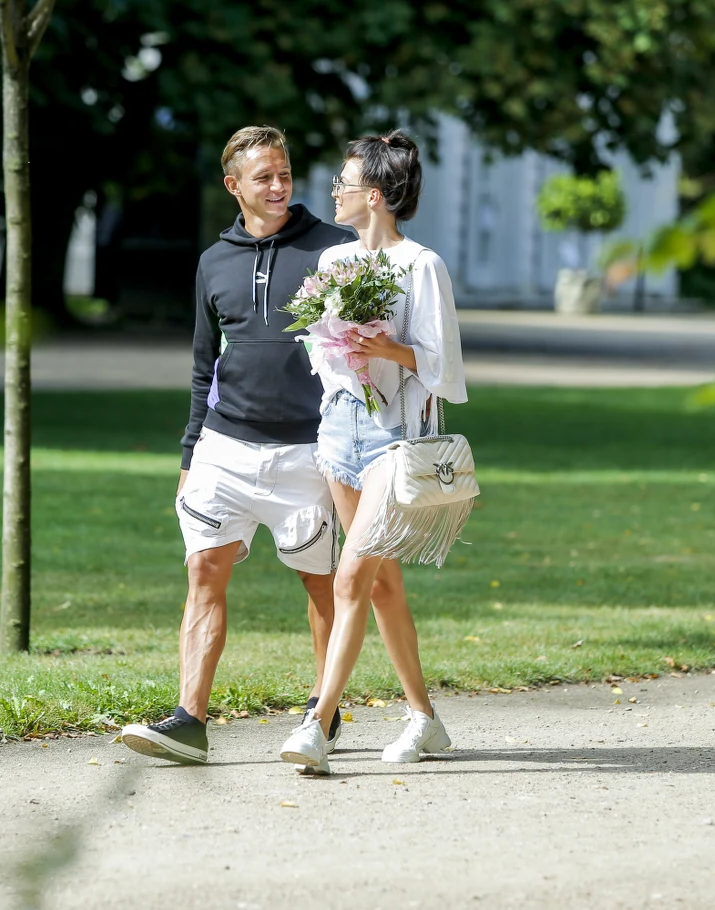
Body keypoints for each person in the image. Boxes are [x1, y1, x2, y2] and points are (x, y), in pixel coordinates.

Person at [121, 126, 352, 764]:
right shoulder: (212, 262)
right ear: (234, 187)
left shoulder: (335, 250)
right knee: (203, 572)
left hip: (308, 451)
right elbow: (204, 368)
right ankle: (189, 720)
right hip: (224, 447)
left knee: (321, 583)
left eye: (284, 173)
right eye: (264, 177)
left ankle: (322, 712)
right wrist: (189, 455)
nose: (279, 186)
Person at [279, 130, 467, 775]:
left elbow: (444, 367)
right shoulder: (335, 263)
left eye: (345, 182)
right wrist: (333, 343)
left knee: (352, 576)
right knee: (384, 584)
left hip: (395, 439)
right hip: (340, 432)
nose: (334, 190)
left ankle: (316, 724)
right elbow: (318, 349)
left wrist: (382, 347)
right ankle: (425, 718)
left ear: (376, 196)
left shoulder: (421, 265)